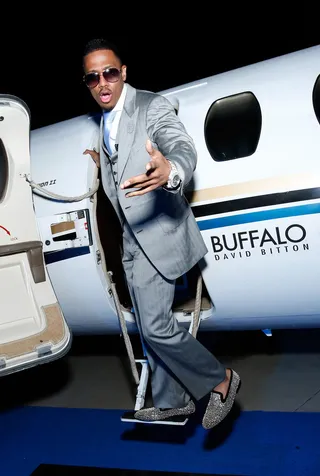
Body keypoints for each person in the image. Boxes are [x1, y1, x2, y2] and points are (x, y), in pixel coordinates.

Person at [82, 38, 241, 429]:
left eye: (110, 72)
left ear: (124, 72)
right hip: (131, 241)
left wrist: (171, 171)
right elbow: (122, 163)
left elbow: (179, 145)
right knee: (148, 326)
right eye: (92, 77)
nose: (103, 82)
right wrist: (105, 163)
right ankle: (172, 401)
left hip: (159, 232)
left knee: (155, 326)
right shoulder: (105, 121)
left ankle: (220, 380)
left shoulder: (151, 105)